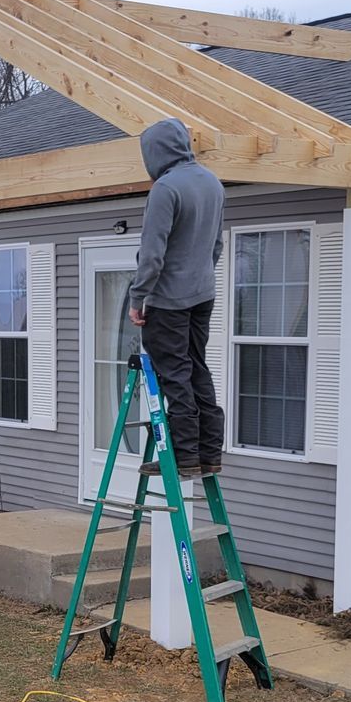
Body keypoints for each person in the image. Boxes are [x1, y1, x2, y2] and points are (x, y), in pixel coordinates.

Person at [128, 117, 225, 479]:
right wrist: (199, 276)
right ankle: (209, 455)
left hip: (168, 300)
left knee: (175, 376)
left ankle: (183, 458)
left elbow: (152, 255)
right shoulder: (212, 183)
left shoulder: (166, 189)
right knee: (197, 366)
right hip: (203, 294)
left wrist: (139, 297)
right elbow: (215, 245)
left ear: (156, 152)